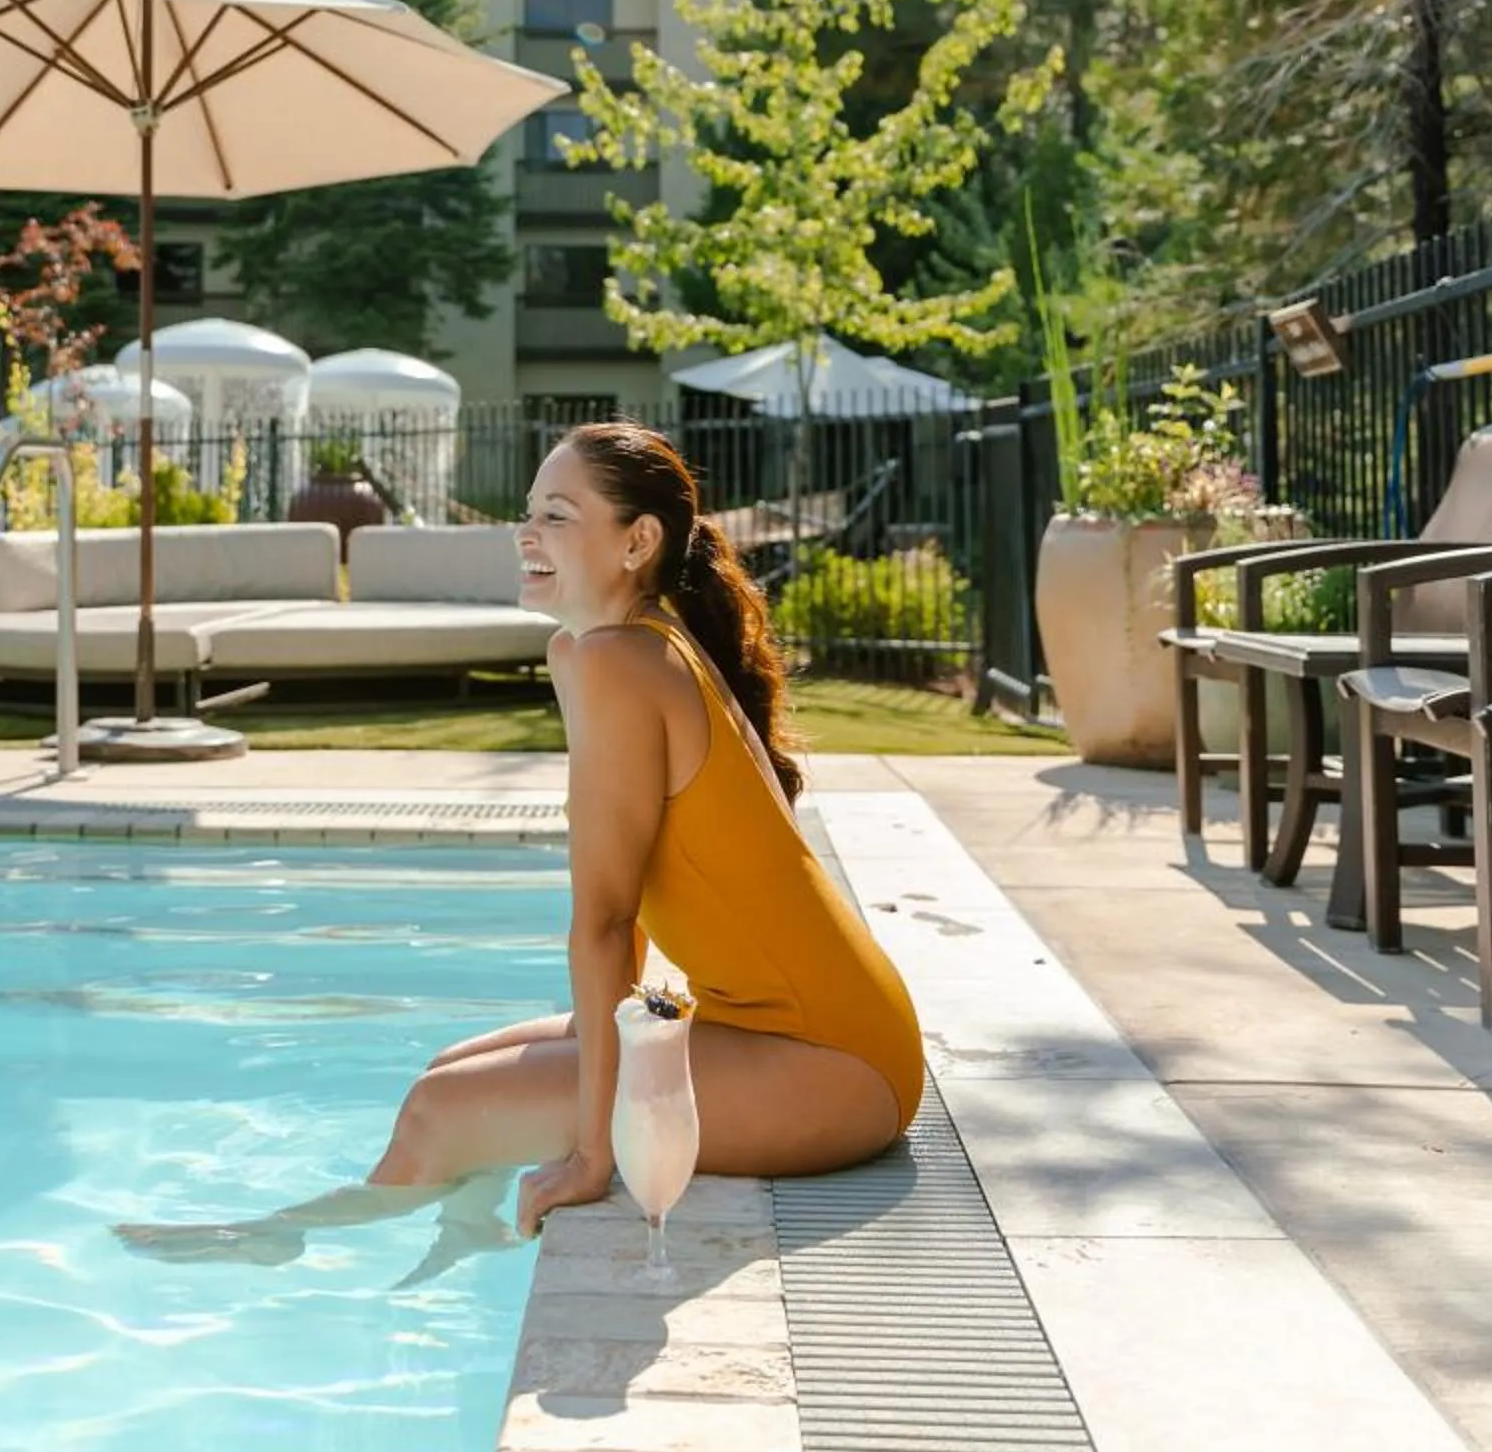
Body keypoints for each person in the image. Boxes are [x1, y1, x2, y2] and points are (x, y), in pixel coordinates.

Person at [117, 420, 922, 1271]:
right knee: (451, 1067)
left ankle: (288, 1239)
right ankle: (458, 1233)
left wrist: (593, 1154)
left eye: (560, 516)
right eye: (529, 512)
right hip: (796, 1029)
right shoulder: (598, 649)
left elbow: (606, 921)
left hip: (834, 1067)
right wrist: (595, 1041)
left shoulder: (622, 662)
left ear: (637, 541)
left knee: (441, 1109)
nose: (527, 534)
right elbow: (632, 905)